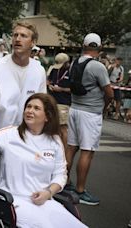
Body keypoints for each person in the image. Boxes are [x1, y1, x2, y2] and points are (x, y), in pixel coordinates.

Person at [0, 93, 87, 228]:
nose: (30, 111)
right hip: (14, 201)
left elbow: (61, 175)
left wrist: (48, 192)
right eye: (28, 107)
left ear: (47, 116)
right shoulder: (10, 134)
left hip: (45, 202)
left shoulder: (54, 141)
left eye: (36, 108)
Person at [0, 21, 46, 194]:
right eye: (15, 35)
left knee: (18, 187)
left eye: (23, 36)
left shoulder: (38, 70)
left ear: (33, 42)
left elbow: (41, 105)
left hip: (22, 139)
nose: (17, 39)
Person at [65, 33, 113, 205]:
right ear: (99, 48)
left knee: (71, 148)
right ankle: (80, 190)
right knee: (87, 151)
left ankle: (63, 183)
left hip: (74, 109)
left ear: (83, 46)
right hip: (90, 113)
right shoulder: (97, 67)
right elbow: (109, 92)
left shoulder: (74, 63)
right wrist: (105, 106)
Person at [47, 53, 71, 150]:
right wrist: (49, 85)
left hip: (63, 102)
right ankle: (54, 149)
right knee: (52, 127)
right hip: (52, 101)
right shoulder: (54, 69)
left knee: (63, 128)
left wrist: (61, 89)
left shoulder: (70, 72)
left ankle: (64, 151)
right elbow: (48, 80)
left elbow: (72, 89)